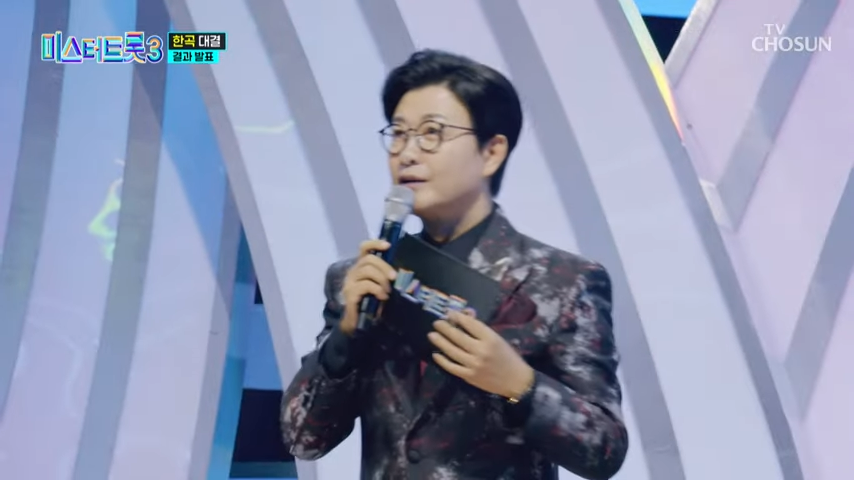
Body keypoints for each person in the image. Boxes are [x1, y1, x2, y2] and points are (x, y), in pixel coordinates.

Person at [280, 49, 628, 480]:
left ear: (491, 152)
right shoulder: (357, 280)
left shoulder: (563, 282)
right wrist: (345, 338)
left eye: (431, 133)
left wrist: (520, 386)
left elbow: (604, 449)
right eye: (399, 134)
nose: (407, 153)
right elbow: (302, 439)